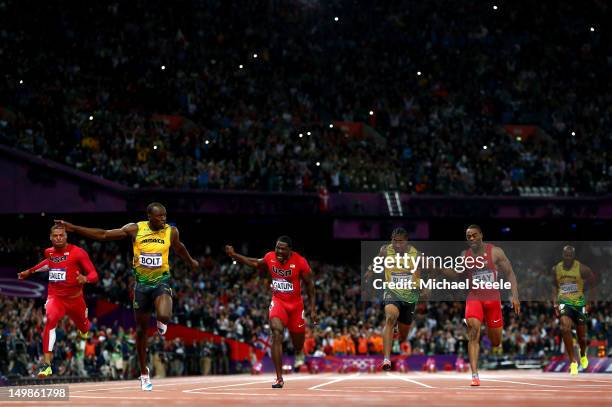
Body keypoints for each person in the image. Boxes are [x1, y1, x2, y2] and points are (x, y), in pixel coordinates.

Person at [54, 202, 198, 391]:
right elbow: (103, 234)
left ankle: (161, 322)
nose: (163, 218)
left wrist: (190, 261)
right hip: (141, 287)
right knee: (140, 332)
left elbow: (179, 248)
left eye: (165, 215)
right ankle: (144, 373)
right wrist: (74, 228)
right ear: (149, 217)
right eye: (159, 216)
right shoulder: (135, 229)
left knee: (164, 314)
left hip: (161, 282)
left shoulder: (171, 231)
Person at [225, 236, 316, 388]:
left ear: (290, 250)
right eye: (277, 248)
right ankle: (279, 378)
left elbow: (310, 286)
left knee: (298, 343)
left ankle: (299, 352)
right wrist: (235, 256)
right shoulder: (270, 257)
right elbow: (254, 262)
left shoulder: (300, 261)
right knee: (276, 332)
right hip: (278, 302)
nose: (279, 251)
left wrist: (313, 309)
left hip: (296, 306)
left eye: (283, 249)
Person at [17, 224, 99, 378]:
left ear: (66, 236)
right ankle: (47, 365)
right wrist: (29, 271)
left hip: (75, 300)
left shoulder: (78, 253)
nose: (58, 238)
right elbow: (48, 263)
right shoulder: (49, 252)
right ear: (50, 237)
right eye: (55, 236)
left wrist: (85, 278)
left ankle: (84, 330)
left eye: (61, 235)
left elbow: (94, 274)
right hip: (56, 297)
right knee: (50, 320)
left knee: (84, 327)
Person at [463, 225, 520, 386]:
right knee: (473, 332)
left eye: (474, 235)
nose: (472, 239)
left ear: (481, 235)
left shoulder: (495, 252)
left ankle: (490, 327)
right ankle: (475, 374)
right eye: (469, 237)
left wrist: (514, 296)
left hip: (493, 300)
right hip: (474, 298)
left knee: (495, 341)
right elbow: (457, 273)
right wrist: (438, 269)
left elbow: (510, 273)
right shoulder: (465, 256)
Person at [369, 228, 421, 371]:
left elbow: (423, 272)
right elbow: (376, 262)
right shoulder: (385, 250)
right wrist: (370, 270)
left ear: (406, 241)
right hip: (392, 292)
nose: (397, 244)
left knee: (403, 337)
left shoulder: (416, 254)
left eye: (400, 241)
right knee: (390, 318)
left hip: (409, 296)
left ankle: (399, 327)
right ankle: (386, 359)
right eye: (394, 240)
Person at [552, 245, 595, 375]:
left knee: (582, 337)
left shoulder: (582, 269)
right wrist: (555, 302)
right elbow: (554, 286)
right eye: (566, 255)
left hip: (579, 304)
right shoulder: (556, 269)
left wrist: (589, 301)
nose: (568, 257)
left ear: (573, 256)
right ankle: (573, 362)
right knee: (565, 327)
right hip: (564, 302)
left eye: (570, 255)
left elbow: (593, 284)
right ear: (563, 255)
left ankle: (582, 354)